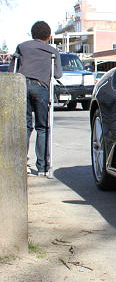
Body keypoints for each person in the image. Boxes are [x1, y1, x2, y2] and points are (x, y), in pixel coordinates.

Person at [11, 21, 63, 177]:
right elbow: (58, 74)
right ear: (48, 36)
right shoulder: (52, 51)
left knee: (25, 126)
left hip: (22, 86)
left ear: (32, 34)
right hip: (41, 87)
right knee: (43, 127)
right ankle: (42, 167)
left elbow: (11, 68)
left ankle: (21, 164)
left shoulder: (22, 47)